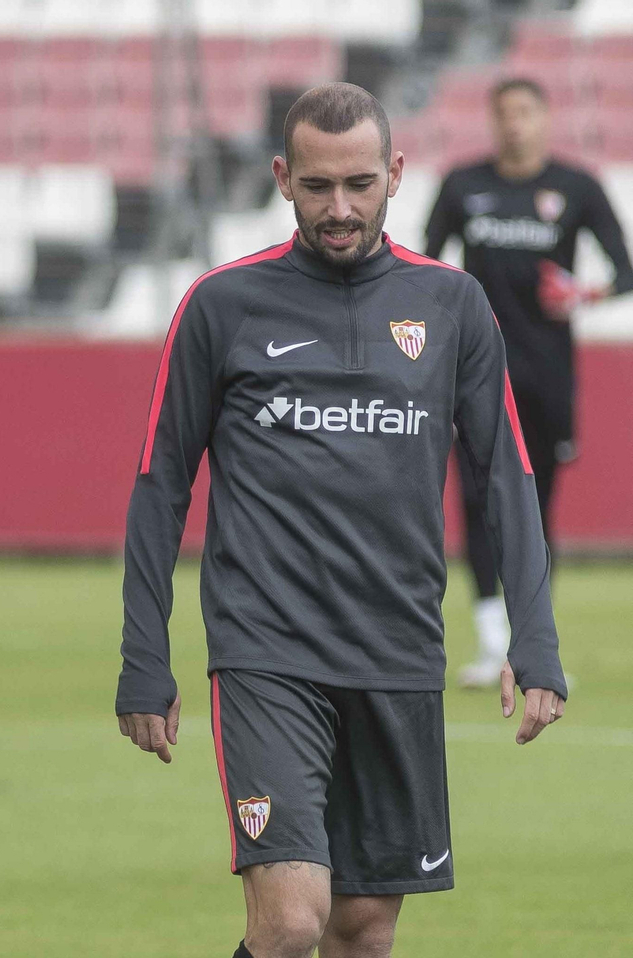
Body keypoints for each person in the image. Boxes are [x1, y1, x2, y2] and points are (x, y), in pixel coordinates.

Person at [115, 83, 566, 958]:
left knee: (362, 934)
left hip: (397, 651)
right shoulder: (221, 304)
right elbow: (159, 482)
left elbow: (504, 476)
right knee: (289, 923)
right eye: (317, 186)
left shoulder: (453, 306)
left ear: (395, 173)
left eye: (360, 184)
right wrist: (144, 656)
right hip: (267, 652)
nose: (340, 208)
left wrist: (534, 637)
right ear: (282, 178)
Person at [425, 76, 633, 688]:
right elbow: (427, 270)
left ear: (545, 118)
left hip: (547, 376)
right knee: (474, 499)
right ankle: (492, 645)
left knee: (536, 508)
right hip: (475, 371)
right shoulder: (464, 186)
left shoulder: (576, 187)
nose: (514, 123)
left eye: (525, 112)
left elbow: (625, 270)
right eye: (504, 113)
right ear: (492, 120)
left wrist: (584, 292)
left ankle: (530, 642)